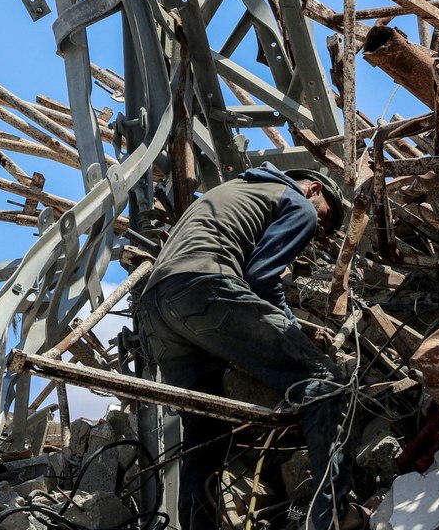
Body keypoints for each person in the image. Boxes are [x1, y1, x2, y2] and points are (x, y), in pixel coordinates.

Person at [136, 163, 361, 530]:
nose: (319, 230)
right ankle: (333, 516)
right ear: (314, 189)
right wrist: (295, 332)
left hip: (157, 310)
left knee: (205, 431)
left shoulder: (234, 190)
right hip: (205, 287)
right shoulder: (298, 203)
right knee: (324, 380)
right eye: (326, 219)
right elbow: (261, 277)